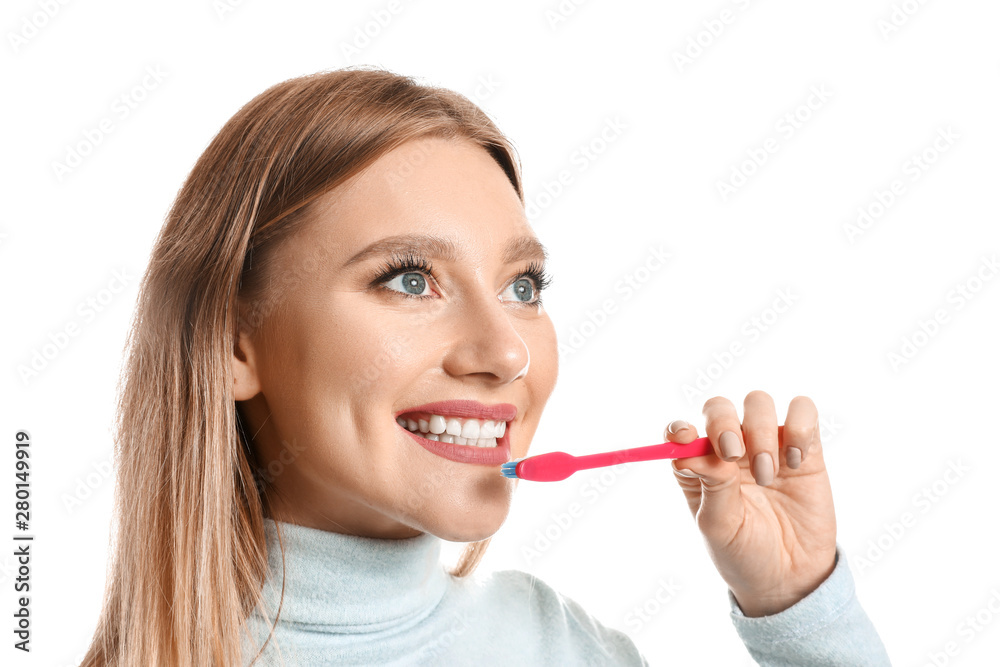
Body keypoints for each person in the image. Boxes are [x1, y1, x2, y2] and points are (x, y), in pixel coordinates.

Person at [80, 67, 891, 666]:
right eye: (408, 278)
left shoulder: (560, 644)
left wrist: (802, 612)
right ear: (232, 343)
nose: (506, 350)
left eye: (522, 285)